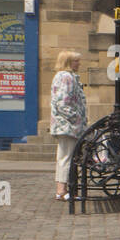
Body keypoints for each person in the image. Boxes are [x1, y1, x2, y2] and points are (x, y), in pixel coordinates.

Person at [50, 50, 87, 200]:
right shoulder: (67, 77)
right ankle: (62, 190)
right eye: (76, 61)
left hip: (62, 125)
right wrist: (76, 118)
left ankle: (61, 189)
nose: (79, 63)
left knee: (63, 157)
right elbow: (63, 103)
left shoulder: (61, 76)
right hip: (68, 126)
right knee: (68, 158)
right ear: (68, 62)